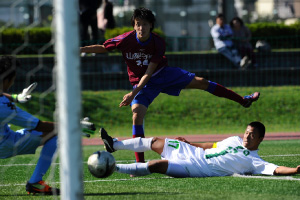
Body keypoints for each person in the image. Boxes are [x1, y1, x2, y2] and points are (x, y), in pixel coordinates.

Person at [80, 8, 260, 164]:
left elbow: (149, 72)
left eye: (145, 24)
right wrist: (80, 49)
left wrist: (132, 93)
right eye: (137, 23)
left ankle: (242, 100)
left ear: (151, 25)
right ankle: (140, 164)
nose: (141, 27)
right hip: (142, 84)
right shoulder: (126, 39)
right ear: (134, 25)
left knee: (202, 82)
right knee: (137, 116)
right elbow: (104, 47)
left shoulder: (158, 42)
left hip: (163, 75)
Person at [0, 56, 95, 195]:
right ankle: (35, 182)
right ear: (7, 80)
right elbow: (39, 125)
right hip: (5, 144)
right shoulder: (3, 107)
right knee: (57, 133)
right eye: (13, 78)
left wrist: (16, 97)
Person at [100, 122, 300, 178]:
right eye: (247, 132)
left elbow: (275, 169)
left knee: (156, 165)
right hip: (193, 152)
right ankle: (114, 144)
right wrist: (190, 143)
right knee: (155, 142)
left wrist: (295, 170)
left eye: (252, 135)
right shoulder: (234, 139)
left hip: (196, 168)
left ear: (260, 139)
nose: (247, 136)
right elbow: (211, 146)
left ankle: (114, 168)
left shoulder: (256, 162)